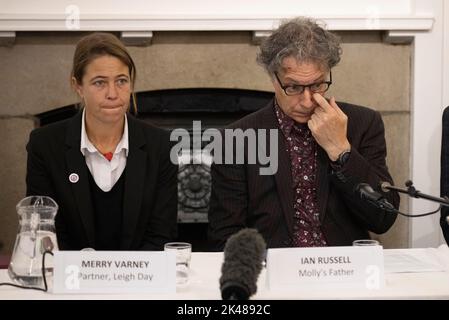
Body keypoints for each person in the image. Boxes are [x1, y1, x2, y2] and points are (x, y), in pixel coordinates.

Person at [208, 17, 400, 250]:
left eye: (317, 85)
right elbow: (224, 235)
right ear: (273, 79)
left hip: (344, 269)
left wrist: (341, 150)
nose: (308, 101)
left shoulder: (363, 123)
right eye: (294, 87)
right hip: (272, 272)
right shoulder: (235, 139)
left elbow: (383, 218)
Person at [25, 32, 178, 250]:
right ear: (77, 86)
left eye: (122, 81)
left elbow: (161, 234)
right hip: (71, 278)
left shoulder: (161, 145)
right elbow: (45, 231)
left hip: (139, 279)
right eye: (99, 83)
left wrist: (125, 279)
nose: (113, 94)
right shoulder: (45, 145)